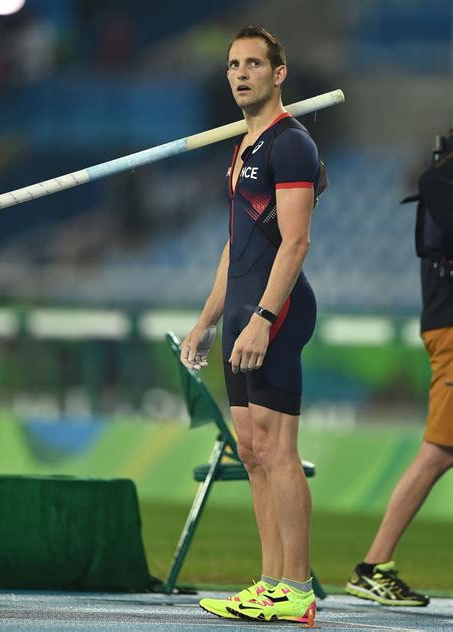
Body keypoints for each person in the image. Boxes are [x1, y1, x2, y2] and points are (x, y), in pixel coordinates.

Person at [180, 26, 326, 624]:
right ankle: (270, 584)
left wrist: (264, 318)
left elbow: (295, 243)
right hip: (241, 312)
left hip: (277, 312)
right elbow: (234, 244)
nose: (240, 74)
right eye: (233, 65)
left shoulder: (291, 145)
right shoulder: (244, 148)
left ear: (278, 74)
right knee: (251, 448)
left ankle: (297, 588)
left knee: (279, 449)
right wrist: (206, 321)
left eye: (253, 64)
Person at [346, 131, 453, 607]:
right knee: (440, 450)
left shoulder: (439, 179)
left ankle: (375, 565)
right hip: (452, 329)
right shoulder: (441, 182)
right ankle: (372, 565)